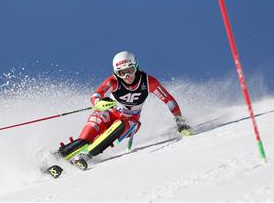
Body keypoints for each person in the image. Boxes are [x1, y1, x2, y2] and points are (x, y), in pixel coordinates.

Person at [58, 51, 191, 169]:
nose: (127, 76)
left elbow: (168, 99)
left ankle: (85, 156)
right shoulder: (114, 81)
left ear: (136, 67)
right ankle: (56, 157)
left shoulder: (148, 82)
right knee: (84, 140)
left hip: (130, 119)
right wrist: (99, 103)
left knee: (119, 127)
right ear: (117, 73)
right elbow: (96, 95)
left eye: (130, 70)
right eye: (122, 73)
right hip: (108, 113)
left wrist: (179, 120)